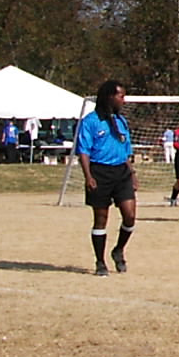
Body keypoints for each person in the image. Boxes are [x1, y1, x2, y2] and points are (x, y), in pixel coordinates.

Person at [76, 79, 137, 277]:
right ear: (110, 97)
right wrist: (88, 176)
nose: (124, 100)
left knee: (130, 215)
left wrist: (132, 173)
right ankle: (100, 262)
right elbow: (83, 151)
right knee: (101, 218)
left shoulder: (121, 121)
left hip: (121, 172)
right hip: (100, 172)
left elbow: (125, 150)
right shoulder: (91, 121)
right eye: (121, 96)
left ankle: (118, 250)